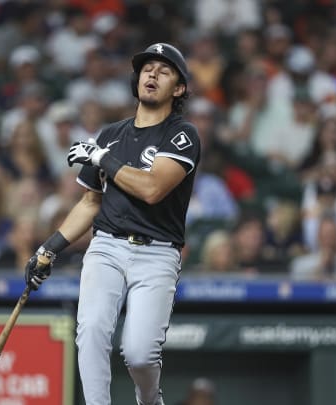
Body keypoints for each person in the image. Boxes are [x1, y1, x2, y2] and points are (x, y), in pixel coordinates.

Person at [24, 43, 200, 405]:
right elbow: (90, 202)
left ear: (178, 88)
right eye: (147, 68)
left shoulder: (182, 134)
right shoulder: (110, 134)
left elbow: (152, 189)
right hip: (106, 245)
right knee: (90, 333)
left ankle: (150, 399)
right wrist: (48, 249)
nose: (152, 74)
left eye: (164, 71)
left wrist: (104, 158)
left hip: (157, 253)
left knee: (139, 354)